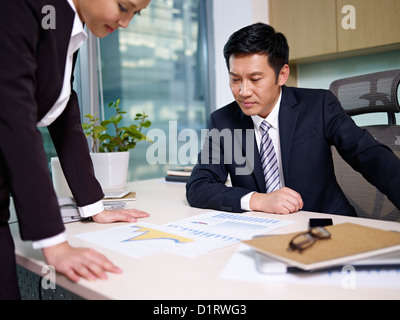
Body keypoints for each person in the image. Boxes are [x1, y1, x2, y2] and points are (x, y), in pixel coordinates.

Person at [0, 0, 151, 299]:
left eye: (137, 13)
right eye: (123, 7)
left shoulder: (63, 24)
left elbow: (64, 112)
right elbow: (14, 119)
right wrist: (54, 243)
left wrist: (95, 205)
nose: (125, 23)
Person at [186, 23, 400, 218]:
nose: (243, 91)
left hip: (325, 226)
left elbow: (370, 157)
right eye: (235, 80)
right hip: (261, 231)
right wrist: (259, 200)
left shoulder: (319, 105)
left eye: (255, 79)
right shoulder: (223, 121)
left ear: (282, 75)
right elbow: (198, 186)